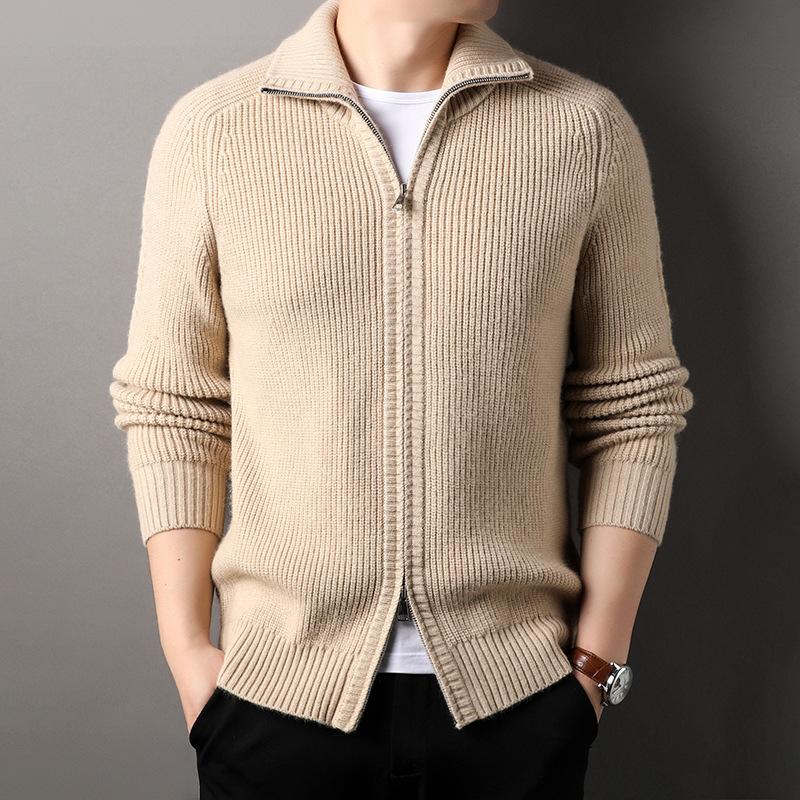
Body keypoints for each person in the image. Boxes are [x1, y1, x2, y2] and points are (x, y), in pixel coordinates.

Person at [108, 0, 694, 797]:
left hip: (517, 699)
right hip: (274, 699)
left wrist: (594, 665)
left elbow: (634, 407)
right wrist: (189, 655)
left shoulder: (581, 128)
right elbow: (173, 404)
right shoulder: (215, 130)